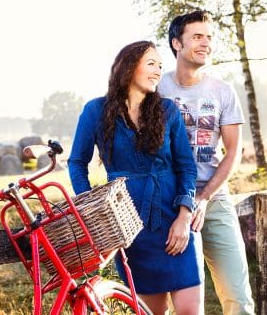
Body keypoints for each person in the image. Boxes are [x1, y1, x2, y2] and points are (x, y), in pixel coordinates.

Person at [68, 40, 203, 315]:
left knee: (191, 311)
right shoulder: (95, 110)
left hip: (174, 221)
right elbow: (76, 162)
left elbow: (186, 167)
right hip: (128, 227)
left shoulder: (167, 111)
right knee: (152, 312)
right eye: (151, 64)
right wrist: (92, 209)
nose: (158, 71)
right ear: (129, 67)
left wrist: (184, 215)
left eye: (160, 66)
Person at [158, 10, 255, 314]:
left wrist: (202, 198)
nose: (206, 43)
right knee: (172, 298)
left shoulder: (222, 91)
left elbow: (234, 151)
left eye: (209, 37)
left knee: (237, 297)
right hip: (166, 200)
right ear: (176, 43)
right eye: (197, 36)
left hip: (212, 199)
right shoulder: (157, 90)